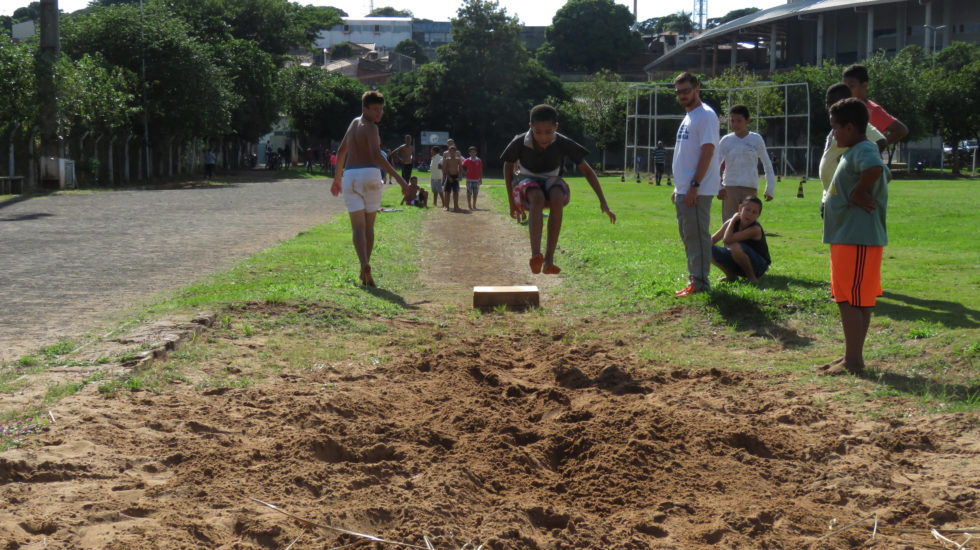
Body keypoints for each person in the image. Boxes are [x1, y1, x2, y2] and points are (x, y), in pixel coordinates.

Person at [501, 104, 616, 275]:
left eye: (549, 132)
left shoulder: (562, 142)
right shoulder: (519, 142)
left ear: (556, 127)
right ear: (530, 127)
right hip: (525, 179)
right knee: (537, 197)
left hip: (551, 179)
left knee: (556, 195)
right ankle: (536, 255)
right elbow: (507, 167)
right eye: (538, 132)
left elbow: (587, 170)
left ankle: (549, 259)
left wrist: (603, 202)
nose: (543, 137)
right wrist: (512, 203)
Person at [821, 97, 890, 375]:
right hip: (846, 237)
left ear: (850, 127)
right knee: (851, 298)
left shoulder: (864, 148)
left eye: (836, 128)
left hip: (857, 238)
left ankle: (854, 361)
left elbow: (875, 169)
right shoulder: (852, 150)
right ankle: (851, 355)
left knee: (852, 300)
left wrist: (861, 191)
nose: (834, 133)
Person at [331, 90, 409, 287]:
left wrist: (337, 178)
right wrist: (400, 180)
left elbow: (341, 151)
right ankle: (365, 266)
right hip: (370, 176)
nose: (379, 114)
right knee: (369, 226)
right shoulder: (371, 128)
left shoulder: (353, 124)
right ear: (365, 108)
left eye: (381, 110)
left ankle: (363, 264)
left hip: (350, 176)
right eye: (375, 109)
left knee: (358, 227)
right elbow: (376, 155)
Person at [670, 72, 721, 297]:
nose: (682, 95)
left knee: (698, 237)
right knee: (689, 236)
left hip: (696, 190)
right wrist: (679, 187)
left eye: (686, 90)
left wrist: (694, 185)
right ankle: (695, 279)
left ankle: (700, 284)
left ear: (697, 89)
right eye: (679, 92)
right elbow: (687, 154)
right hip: (685, 189)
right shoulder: (689, 116)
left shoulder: (705, 115)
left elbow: (708, 151)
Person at [819, 83, 888, 218]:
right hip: (831, 195)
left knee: (846, 237)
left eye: (833, 102)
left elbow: (881, 142)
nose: (829, 107)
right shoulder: (837, 129)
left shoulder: (855, 126)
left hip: (845, 197)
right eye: (827, 103)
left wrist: (851, 157)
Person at [716, 104, 777, 222]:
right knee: (729, 224)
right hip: (729, 188)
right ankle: (728, 241)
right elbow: (714, 165)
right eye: (732, 121)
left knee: (748, 224)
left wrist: (770, 188)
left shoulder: (756, 139)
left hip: (750, 188)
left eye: (739, 121)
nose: (735, 124)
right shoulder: (726, 140)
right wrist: (718, 187)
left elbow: (767, 164)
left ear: (747, 120)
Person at [842, 64, 909, 147]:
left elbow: (901, 130)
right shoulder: (844, 108)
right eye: (845, 86)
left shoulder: (873, 110)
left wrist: (874, 147)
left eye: (851, 86)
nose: (847, 90)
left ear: (864, 85)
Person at [710, 196, 770, 285]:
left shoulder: (755, 229)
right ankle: (731, 276)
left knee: (735, 246)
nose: (750, 214)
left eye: (754, 212)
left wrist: (733, 219)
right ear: (740, 208)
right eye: (747, 210)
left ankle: (752, 278)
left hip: (758, 266)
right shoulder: (731, 223)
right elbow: (713, 239)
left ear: (758, 216)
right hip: (738, 261)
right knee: (705, 248)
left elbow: (727, 240)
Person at [441, 145, 464, 212]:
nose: (452, 152)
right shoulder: (447, 159)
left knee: (456, 192)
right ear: (449, 152)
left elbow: (460, 168)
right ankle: (446, 206)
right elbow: (444, 169)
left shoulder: (458, 159)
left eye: (453, 151)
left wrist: (460, 176)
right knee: (447, 192)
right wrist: (448, 176)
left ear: (455, 152)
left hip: (455, 177)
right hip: (449, 176)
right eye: (450, 151)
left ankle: (456, 206)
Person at [462, 146, 483, 211]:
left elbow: (480, 170)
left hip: (476, 179)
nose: (473, 153)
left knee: (475, 193)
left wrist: (481, 179)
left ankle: (474, 205)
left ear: (476, 152)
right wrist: (465, 173)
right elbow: (462, 167)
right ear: (469, 153)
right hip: (469, 179)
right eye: (471, 152)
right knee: (469, 193)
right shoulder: (467, 160)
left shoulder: (479, 160)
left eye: (474, 152)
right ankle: (469, 206)